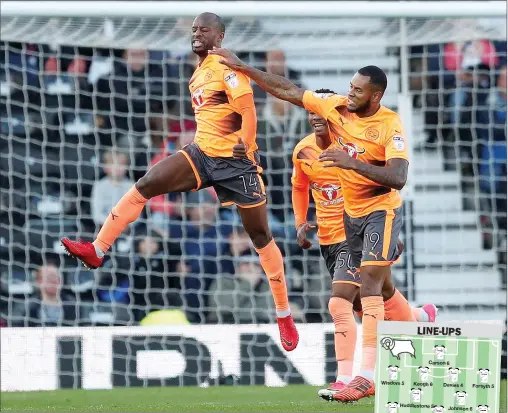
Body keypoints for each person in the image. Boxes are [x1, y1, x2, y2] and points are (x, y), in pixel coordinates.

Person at [61, 12, 298, 351]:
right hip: (201, 154)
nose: (196, 33)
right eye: (193, 29)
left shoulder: (227, 67)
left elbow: (248, 110)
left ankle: (284, 313)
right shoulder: (198, 73)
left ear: (220, 35)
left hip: (234, 161)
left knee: (260, 236)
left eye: (204, 29)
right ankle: (98, 249)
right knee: (145, 184)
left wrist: (245, 143)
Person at [208, 47, 414, 401]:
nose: (349, 94)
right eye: (350, 87)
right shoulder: (333, 108)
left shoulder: (388, 125)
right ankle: (417, 320)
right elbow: (287, 89)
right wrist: (247, 69)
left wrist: (351, 164)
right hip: (350, 220)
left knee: (364, 287)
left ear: (375, 95)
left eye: (358, 90)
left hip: (382, 210)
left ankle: (365, 376)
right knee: (375, 293)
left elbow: (398, 176)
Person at [290, 89, 437, 399]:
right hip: (328, 238)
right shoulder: (303, 151)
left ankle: (348, 377)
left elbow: (385, 184)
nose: (317, 116)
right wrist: (300, 220)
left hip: (355, 231)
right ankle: (419, 318)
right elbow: (299, 186)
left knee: (339, 300)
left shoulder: (355, 147)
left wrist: (390, 232)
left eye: (323, 112)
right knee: (373, 298)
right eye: (312, 111)